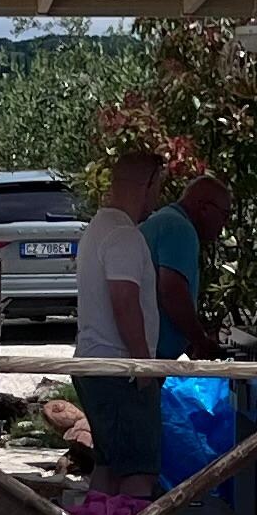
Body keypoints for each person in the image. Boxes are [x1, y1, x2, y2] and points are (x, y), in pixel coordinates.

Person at [70, 144, 167, 493]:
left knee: (108, 466)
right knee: (138, 472)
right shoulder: (124, 235)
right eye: (158, 188)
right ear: (148, 185)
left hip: (95, 366)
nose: (158, 198)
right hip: (120, 370)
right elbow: (124, 301)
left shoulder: (98, 227)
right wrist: (143, 366)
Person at [145, 171, 228, 359]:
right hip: (153, 354)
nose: (224, 224)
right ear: (203, 207)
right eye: (224, 215)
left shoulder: (163, 219)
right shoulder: (180, 228)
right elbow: (172, 292)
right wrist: (200, 341)